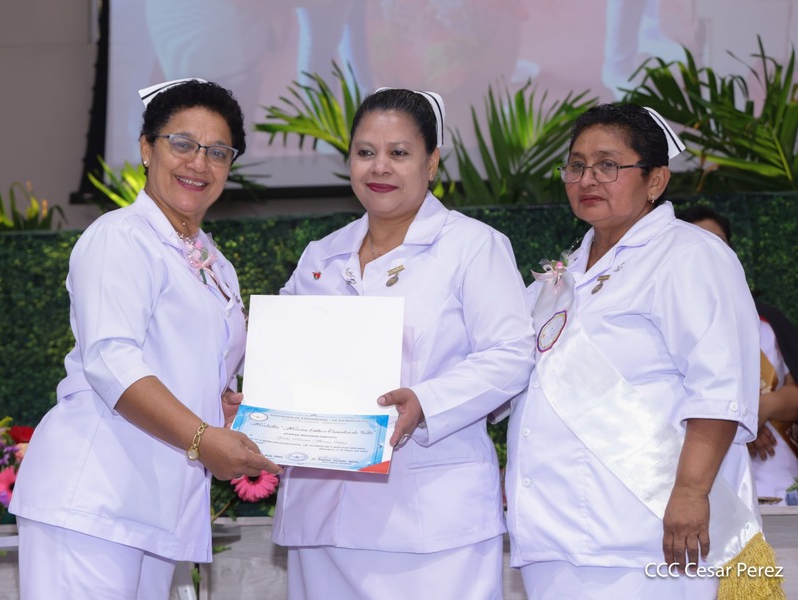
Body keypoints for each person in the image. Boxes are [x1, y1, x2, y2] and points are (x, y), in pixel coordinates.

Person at [10, 79, 280, 599]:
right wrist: (203, 439)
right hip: (95, 498)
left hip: (156, 507)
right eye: (182, 144)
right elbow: (111, 360)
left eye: (217, 152)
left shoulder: (214, 263)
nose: (199, 163)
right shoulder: (121, 236)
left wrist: (221, 408)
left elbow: (186, 365)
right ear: (146, 148)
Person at [505, 103, 783, 598]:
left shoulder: (690, 255)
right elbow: (505, 366)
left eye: (608, 165)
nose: (587, 179)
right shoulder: (558, 279)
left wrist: (691, 492)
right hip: (554, 539)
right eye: (576, 165)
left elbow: (719, 387)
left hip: (652, 535)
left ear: (655, 180)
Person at [270, 88, 536, 599]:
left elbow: (511, 354)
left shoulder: (472, 246)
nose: (380, 167)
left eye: (399, 153)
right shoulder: (321, 256)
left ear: (431, 162)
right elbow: (285, 355)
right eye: (365, 152)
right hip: (320, 518)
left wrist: (425, 402)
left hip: (430, 521)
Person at [677, 205, 798, 505]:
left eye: (718, 243)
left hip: (781, 488)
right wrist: (734, 421)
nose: (710, 254)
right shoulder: (668, 326)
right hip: (705, 493)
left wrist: (758, 409)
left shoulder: (766, 321)